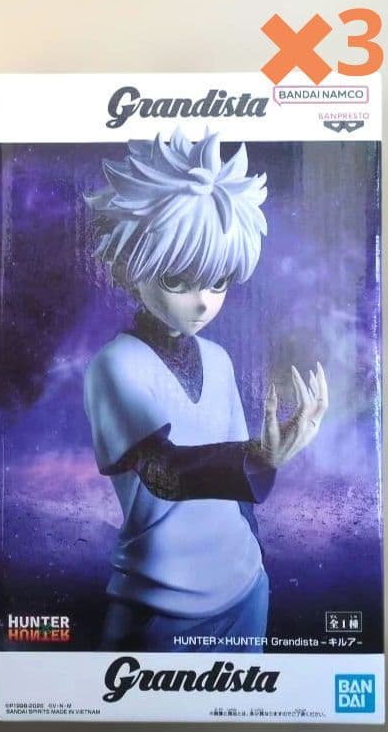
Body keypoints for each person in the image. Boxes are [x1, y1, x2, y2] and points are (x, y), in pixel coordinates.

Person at [83, 127, 328, 652]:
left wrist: (258, 473)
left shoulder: (218, 359)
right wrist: (258, 457)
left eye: (218, 283)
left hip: (245, 586)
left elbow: (239, 499)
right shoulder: (115, 365)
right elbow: (164, 472)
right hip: (158, 601)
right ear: (128, 268)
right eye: (178, 280)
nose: (203, 302)